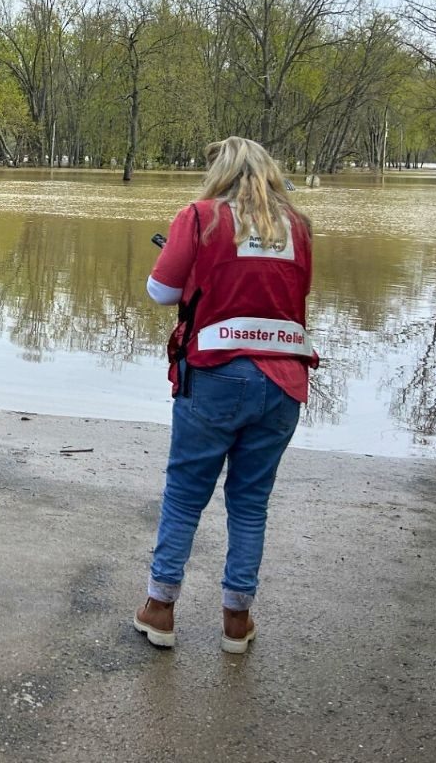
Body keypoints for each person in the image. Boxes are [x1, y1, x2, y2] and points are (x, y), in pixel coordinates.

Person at [133, 136, 317, 654]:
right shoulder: (298, 226)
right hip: (285, 380)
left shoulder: (199, 217)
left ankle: (161, 610)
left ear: (220, 173)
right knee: (250, 502)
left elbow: (160, 292)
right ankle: (237, 621)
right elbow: (293, 294)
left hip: (214, 375)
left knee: (186, 494)